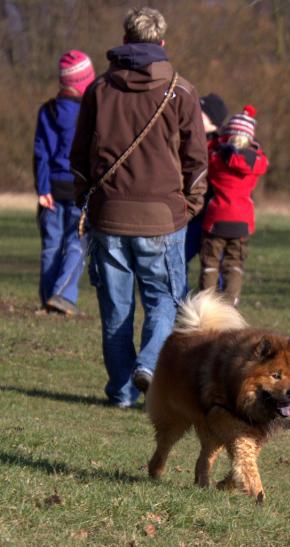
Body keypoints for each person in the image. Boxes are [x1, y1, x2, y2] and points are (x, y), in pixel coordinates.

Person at [70, 7, 207, 407]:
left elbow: (78, 155)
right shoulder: (181, 91)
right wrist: (192, 205)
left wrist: (85, 197)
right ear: (162, 43)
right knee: (164, 302)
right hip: (163, 218)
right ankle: (148, 364)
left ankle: (123, 391)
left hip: (109, 215)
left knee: (116, 311)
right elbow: (197, 160)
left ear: (125, 40)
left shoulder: (98, 90)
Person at [33, 50, 95, 315]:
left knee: (51, 245)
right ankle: (62, 296)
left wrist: (43, 188)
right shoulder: (91, 113)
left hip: (52, 190)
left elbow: (41, 153)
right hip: (80, 189)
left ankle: (48, 297)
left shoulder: (47, 111)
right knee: (77, 243)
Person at [200, 105, 269, 306]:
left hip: (216, 218)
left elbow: (207, 155)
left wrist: (220, 142)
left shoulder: (216, 158)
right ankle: (230, 304)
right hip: (242, 221)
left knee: (210, 264)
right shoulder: (256, 162)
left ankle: (207, 303)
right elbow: (263, 161)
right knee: (234, 265)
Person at [185, 93, 228, 276]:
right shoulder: (187, 139)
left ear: (213, 120)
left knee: (213, 264)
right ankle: (179, 299)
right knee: (177, 258)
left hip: (214, 216)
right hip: (192, 215)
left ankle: (217, 301)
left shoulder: (223, 148)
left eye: (201, 112)